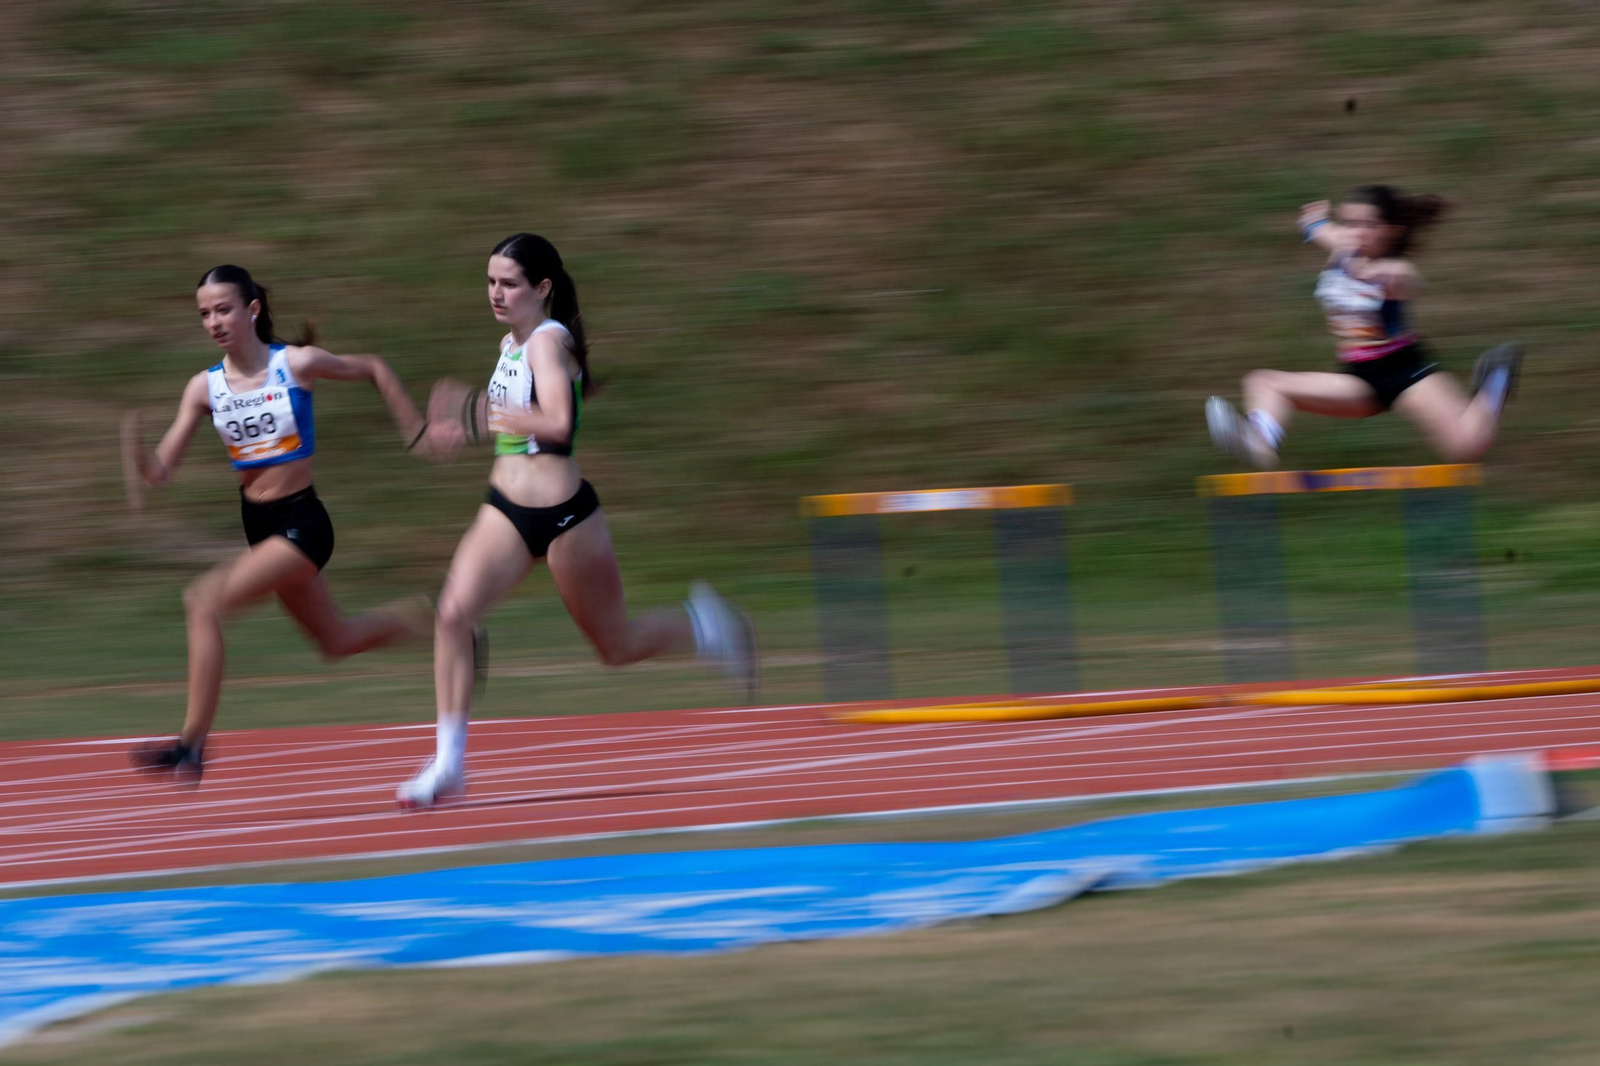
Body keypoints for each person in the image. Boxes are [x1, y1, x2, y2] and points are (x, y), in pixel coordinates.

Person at [395, 233, 756, 809]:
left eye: (509, 283)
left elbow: (558, 424)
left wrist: (476, 412)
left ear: (542, 288)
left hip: (564, 517)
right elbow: (520, 425)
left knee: (614, 646)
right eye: (490, 281)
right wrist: (461, 429)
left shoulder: (548, 340)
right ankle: (448, 766)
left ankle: (707, 628)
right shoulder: (512, 344)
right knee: (454, 613)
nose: (496, 293)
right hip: (506, 510)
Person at [121, 264, 441, 783]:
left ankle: (190, 747)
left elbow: (374, 367)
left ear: (252, 310)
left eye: (223, 309)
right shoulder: (204, 388)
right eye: (204, 314)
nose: (213, 322)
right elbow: (160, 471)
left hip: (302, 523)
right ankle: (440, 622)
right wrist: (140, 458)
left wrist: (414, 428)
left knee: (202, 602)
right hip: (259, 525)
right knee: (336, 640)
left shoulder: (295, 364)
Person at [1206, 185, 1522, 468]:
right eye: (1351, 223)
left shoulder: (1396, 270)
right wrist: (1313, 221)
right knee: (1263, 382)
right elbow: (1320, 230)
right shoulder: (1343, 245)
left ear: (1391, 231)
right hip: (1359, 379)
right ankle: (1260, 441)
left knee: (1467, 447)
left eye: (1368, 225)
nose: (1357, 232)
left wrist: (1364, 269)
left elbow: (1406, 280)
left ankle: (1494, 379)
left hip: (1407, 373)